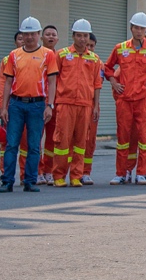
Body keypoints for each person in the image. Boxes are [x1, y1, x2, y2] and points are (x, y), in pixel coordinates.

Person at [103, 13, 146, 185]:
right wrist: (114, 83)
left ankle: (141, 172)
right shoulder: (120, 48)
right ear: (131, 27)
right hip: (125, 100)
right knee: (123, 137)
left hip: (144, 100)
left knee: (144, 136)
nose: (139, 31)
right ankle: (121, 172)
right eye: (136, 27)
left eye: (142, 28)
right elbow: (108, 68)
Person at [0, 17, 58, 193]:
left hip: (37, 104)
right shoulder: (14, 55)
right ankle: (7, 181)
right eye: (26, 34)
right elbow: (7, 82)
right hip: (16, 104)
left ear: (38, 34)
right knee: (11, 144)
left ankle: (30, 181)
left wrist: (50, 105)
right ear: (22, 36)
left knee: (33, 145)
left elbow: (52, 81)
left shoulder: (48, 54)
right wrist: (3, 107)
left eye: (33, 33)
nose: (30, 37)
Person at [52, 20, 103, 187]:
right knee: (62, 141)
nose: (82, 39)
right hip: (65, 103)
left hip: (85, 105)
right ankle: (59, 175)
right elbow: (53, 80)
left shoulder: (94, 59)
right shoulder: (61, 55)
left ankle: (76, 175)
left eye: (85, 36)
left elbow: (97, 83)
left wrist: (95, 106)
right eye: (79, 35)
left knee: (82, 142)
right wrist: (51, 103)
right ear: (73, 36)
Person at [0, 28, 27, 183]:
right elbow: (3, 85)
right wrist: (2, 107)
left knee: (26, 143)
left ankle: (25, 175)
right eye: (20, 38)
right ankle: (6, 174)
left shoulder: (35, 57)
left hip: (28, 106)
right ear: (16, 42)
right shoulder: (8, 60)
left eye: (25, 37)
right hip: (12, 107)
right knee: (7, 143)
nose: (23, 40)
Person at [35, 24, 60, 185]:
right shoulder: (36, 55)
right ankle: (36, 171)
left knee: (52, 140)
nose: (50, 37)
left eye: (53, 35)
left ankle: (48, 171)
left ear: (57, 39)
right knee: (36, 138)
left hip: (57, 103)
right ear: (42, 37)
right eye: (48, 34)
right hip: (38, 102)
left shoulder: (62, 56)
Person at [81, 31, 102, 184]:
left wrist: (95, 106)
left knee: (90, 140)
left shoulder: (97, 62)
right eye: (87, 45)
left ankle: (85, 171)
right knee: (71, 139)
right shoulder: (69, 57)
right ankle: (71, 170)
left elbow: (99, 83)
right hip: (73, 104)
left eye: (91, 46)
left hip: (92, 105)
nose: (89, 47)